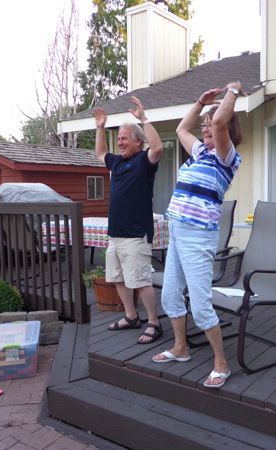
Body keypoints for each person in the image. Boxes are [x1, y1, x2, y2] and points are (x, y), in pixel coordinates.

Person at [151, 81, 244, 388]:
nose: (205, 128)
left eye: (210, 125)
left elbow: (219, 123)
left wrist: (232, 90)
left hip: (198, 235)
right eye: (203, 125)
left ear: (227, 130)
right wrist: (199, 104)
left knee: (200, 304)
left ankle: (221, 364)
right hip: (177, 230)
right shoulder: (201, 152)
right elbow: (181, 129)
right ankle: (181, 348)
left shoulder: (226, 157)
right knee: (170, 295)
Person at [92, 96, 164, 344]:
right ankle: (131, 316)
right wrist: (100, 127)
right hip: (116, 234)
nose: (120, 142)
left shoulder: (144, 161)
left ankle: (154, 322)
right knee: (118, 278)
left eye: (124, 138)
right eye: (119, 138)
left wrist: (143, 118)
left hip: (135, 234)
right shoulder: (117, 162)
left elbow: (158, 148)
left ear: (138, 141)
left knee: (141, 281)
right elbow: (101, 153)